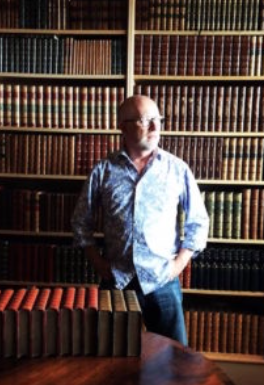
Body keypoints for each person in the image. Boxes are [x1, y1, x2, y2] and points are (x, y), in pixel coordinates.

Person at [71, 95, 209, 345]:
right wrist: (98, 264)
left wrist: (177, 265)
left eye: (158, 119)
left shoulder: (177, 169)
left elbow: (198, 222)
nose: (156, 127)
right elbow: (81, 222)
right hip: (116, 282)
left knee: (174, 360)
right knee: (111, 361)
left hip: (163, 282)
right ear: (122, 126)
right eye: (146, 121)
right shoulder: (103, 170)